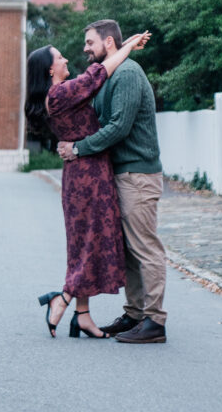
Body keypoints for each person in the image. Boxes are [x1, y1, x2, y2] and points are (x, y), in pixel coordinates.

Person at [25, 31, 150, 339]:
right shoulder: (60, 93)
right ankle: (62, 298)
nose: (66, 58)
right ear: (50, 69)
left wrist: (124, 46)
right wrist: (128, 45)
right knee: (90, 242)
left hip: (81, 174)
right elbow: (100, 72)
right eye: (60, 57)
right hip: (88, 176)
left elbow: (98, 73)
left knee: (83, 242)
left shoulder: (57, 95)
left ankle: (83, 316)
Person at [57, 19, 167, 344]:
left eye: (90, 42)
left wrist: (78, 149)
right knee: (130, 250)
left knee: (145, 247)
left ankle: (155, 321)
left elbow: (118, 126)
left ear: (108, 42)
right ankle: (134, 314)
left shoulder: (128, 73)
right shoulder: (111, 74)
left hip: (138, 175)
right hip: (121, 174)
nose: (85, 49)